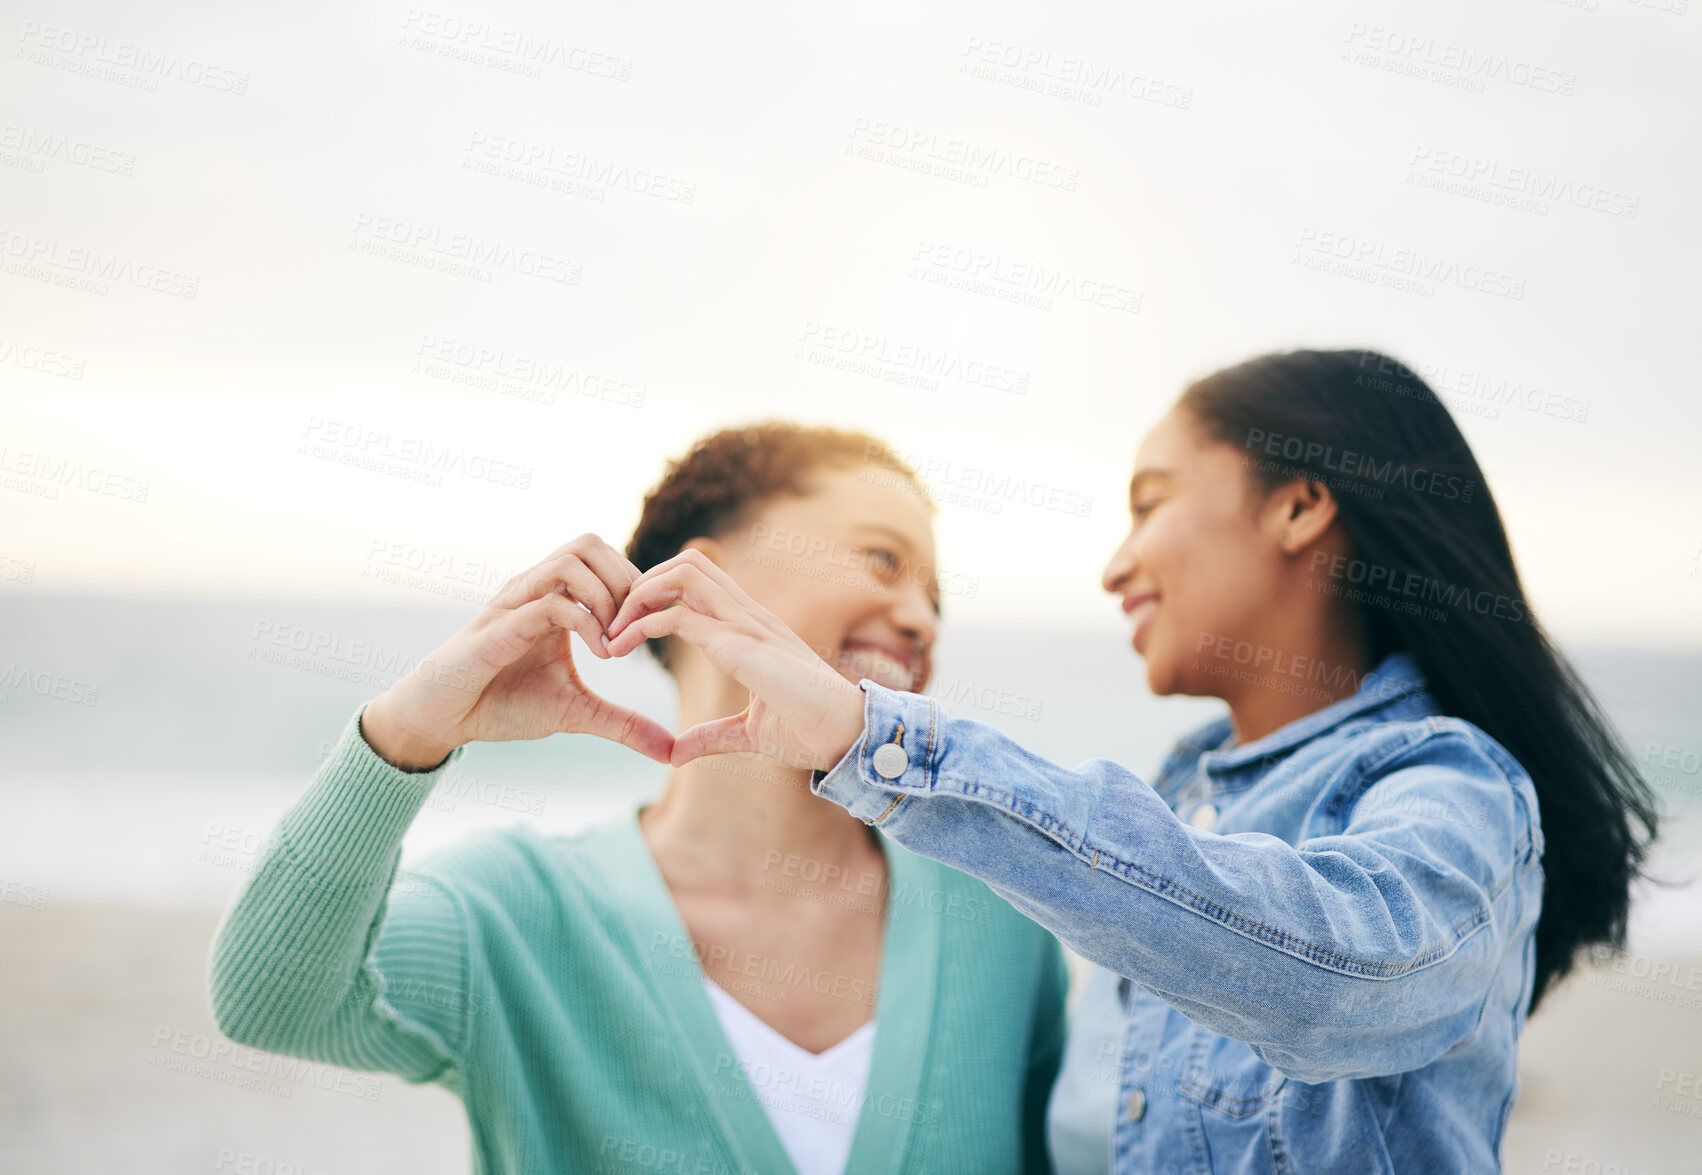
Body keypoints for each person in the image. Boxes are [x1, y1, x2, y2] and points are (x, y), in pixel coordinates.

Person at [601, 350, 1664, 1173]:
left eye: (1150, 501)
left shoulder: (1450, 789)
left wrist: (870, 740)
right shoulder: (1173, 818)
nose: (1115, 564)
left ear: (1298, 504)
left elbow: (1332, 973)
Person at [208, 423, 1069, 1175]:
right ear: (706, 575)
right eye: (884, 559)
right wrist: (409, 728)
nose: (920, 617)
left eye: (936, 596)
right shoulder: (517, 913)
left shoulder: (997, 918)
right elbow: (269, 1000)